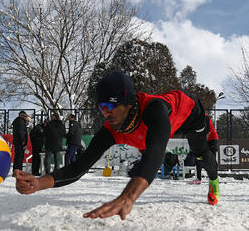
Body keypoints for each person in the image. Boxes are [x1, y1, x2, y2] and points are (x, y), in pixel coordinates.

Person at [14, 71, 220, 220]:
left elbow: (157, 151)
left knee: (201, 153)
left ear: (128, 102)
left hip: (190, 115)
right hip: (158, 130)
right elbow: (80, 166)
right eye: (101, 108)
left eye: (111, 105)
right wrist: (39, 183)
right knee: (145, 151)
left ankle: (214, 180)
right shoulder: (110, 130)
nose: (106, 113)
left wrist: (127, 197)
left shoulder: (154, 110)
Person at [189, 115, 219, 184]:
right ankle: (198, 179)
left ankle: (214, 178)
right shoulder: (195, 120)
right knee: (198, 158)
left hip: (212, 139)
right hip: (205, 140)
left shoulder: (205, 117)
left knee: (212, 159)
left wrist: (202, 142)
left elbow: (208, 132)